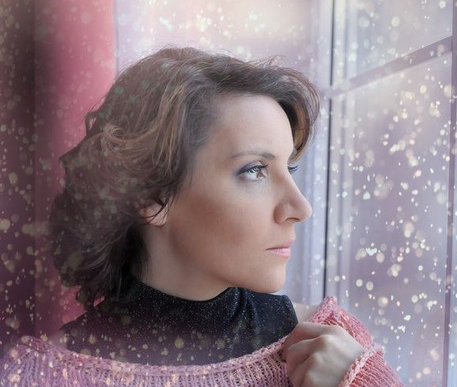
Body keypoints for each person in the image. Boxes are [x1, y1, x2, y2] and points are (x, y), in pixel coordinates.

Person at [0, 47, 403, 386]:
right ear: (151, 197)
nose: (301, 208)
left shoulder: (334, 349)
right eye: (255, 170)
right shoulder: (38, 376)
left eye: (289, 169)